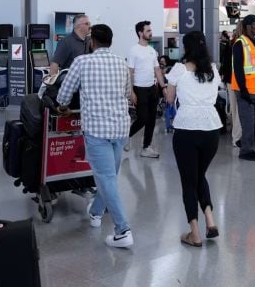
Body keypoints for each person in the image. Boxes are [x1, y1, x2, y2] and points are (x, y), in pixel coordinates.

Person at [56, 24, 133, 248]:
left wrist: (63, 108)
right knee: (109, 177)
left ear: (92, 42)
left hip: (97, 130)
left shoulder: (82, 62)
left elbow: (63, 95)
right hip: (120, 128)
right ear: (111, 41)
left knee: (106, 178)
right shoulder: (122, 62)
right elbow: (127, 93)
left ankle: (123, 230)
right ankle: (96, 212)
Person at [165, 31, 221, 247]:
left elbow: (169, 99)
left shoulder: (179, 69)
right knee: (199, 175)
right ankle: (211, 220)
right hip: (211, 128)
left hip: (186, 128)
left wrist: (172, 91)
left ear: (187, 48)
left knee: (188, 181)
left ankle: (195, 233)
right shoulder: (213, 70)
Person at [127, 21, 167, 158]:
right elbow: (130, 72)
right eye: (148, 30)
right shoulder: (133, 50)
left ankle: (146, 147)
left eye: (150, 30)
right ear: (140, 33)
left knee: (151, 119)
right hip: (139, 89)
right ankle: (127, 136)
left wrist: (163, 87)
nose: (151, 32)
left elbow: (157, 70)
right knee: (142, 118)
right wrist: (131, 92)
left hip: (152, 89)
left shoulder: (152, 51)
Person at [231, 15, 255, 161]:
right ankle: (246, 151)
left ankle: (246, 140)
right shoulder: (240, 44)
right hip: (245, 89)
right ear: (247, 26)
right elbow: (238, 70)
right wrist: (244, 90)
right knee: (248, 121)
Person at [222, 22, 242, 148]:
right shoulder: (242, 44)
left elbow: (225, 64)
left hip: (230, 80)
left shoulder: (230, 44)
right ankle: (238, 137)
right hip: (239, 81)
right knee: (240, 110)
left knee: (235, 109)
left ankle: (236, 137)